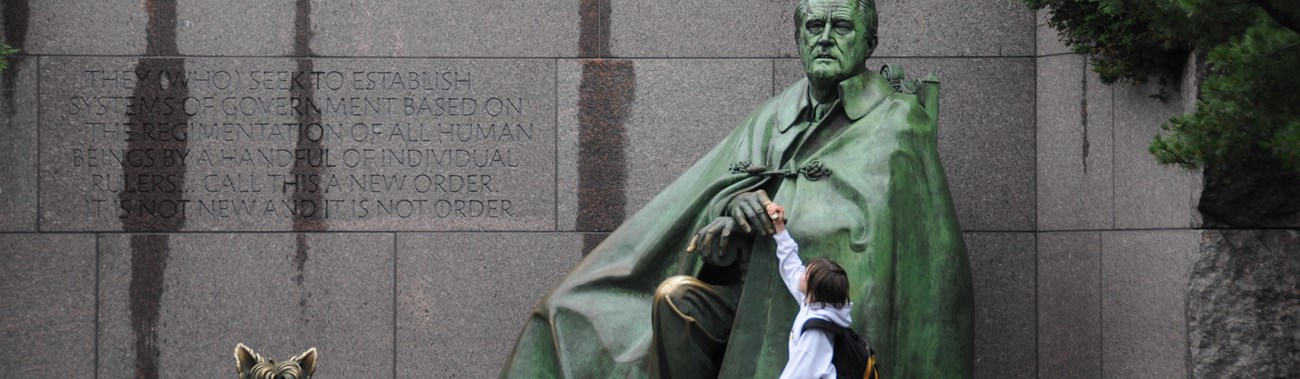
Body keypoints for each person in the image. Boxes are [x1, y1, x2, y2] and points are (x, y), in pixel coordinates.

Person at [500, 0, 972, 377]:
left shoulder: (896, 121)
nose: (825, 38)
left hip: (822, 324)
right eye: (813, 27)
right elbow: (711, 200)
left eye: (841, 27)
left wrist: (794, 221)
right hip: (745, 297)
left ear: (869, 40)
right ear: (798, 39)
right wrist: (731, 215)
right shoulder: (774, 115)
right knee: (656, 302)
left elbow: (911, 257)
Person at [767, 202, 853, 379]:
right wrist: (779, 227)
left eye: (806, 274)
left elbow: (797, 374)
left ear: (814, 290)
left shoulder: (816, 331)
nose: (802, 273)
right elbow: (792, 266)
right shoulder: (817, 305)